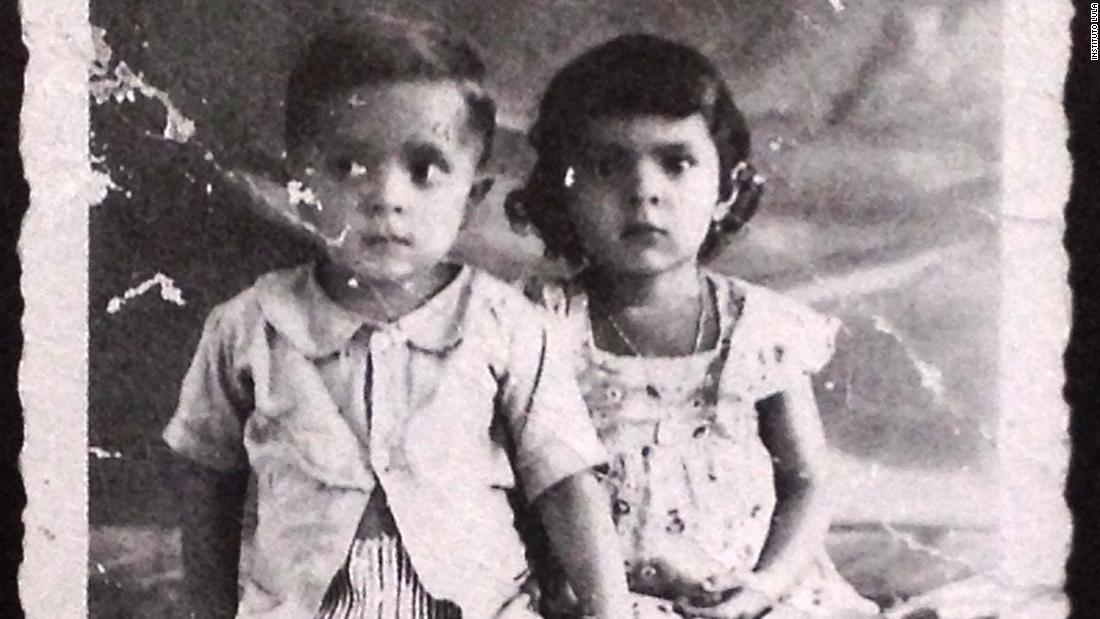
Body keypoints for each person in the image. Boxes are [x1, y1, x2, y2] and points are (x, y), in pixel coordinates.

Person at [163, 17, 630, 619]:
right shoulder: (249, 326)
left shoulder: (505, 324)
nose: (387, 197)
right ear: (296, 187)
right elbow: (205, 475)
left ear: (471, 198)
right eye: (349, 166)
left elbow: (565, 483)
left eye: (425, 169)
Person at [505, 34, 881, 619]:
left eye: (676, 162)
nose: (643, 191)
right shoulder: (540, 322)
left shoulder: (759, 328)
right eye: (607, 166)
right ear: (563, 193)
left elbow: (806, 482)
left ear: (725, 189)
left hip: (743, 596)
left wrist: (763, 588)